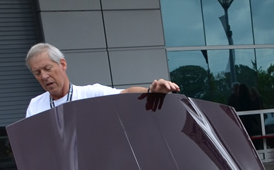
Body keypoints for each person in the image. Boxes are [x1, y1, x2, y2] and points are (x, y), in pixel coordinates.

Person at [24, 43, 180, 117]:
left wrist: (151, 91)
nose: (44, 76)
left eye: (47, 68)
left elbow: (125, 93)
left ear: (62, 64)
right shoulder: (35, 106)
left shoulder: (90, 94)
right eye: (37, 73)